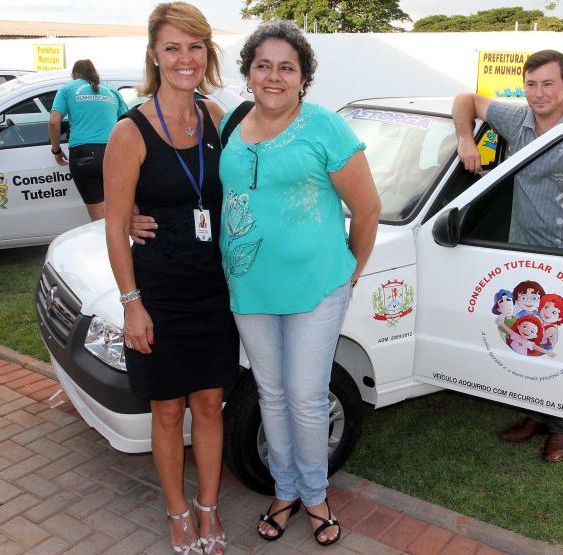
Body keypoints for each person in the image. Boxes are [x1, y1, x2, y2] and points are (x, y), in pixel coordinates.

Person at [224, 21, 379, 547]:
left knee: (307, 396)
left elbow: (367, 208)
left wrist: (349, 273)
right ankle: (285, 490)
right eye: (263, 65)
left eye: (286, 67)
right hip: (249, 288)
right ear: (248, 73)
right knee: (270, 393)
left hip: (316, 289)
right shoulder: (228, 125)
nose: (274, 76)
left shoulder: (325, 128)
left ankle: (315, 496)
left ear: (303, 78)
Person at [102, 3, 234, 554]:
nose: (186, 58)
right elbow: (114, 229)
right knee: (166, 410)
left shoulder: (218, 117)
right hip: (158, 294)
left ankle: (207, 506)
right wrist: (132, 303)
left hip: (213, 291)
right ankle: (176, 512)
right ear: (155, 55)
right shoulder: (129, 131)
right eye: (173, 47)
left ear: (208, 53)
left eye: (195, 46)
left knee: (208, 405)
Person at [452, 49, 563, 462]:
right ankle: (536, 414)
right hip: (521, 247)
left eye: (548, 84)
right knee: (526, 335)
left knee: (562, 340)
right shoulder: (515, 118)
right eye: (532, 84)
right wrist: (466, 139)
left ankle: (561, 429)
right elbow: (466, 100)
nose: (539, 94)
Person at [49, 59, 128, 221]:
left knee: (98, 216)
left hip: (83, 154)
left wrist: (56, 150)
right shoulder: (112, 91)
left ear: (75, 75)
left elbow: (53, 121)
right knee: (118, 213)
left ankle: (102, 245)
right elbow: (126, 123)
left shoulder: (68, 88)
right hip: (113, 152)